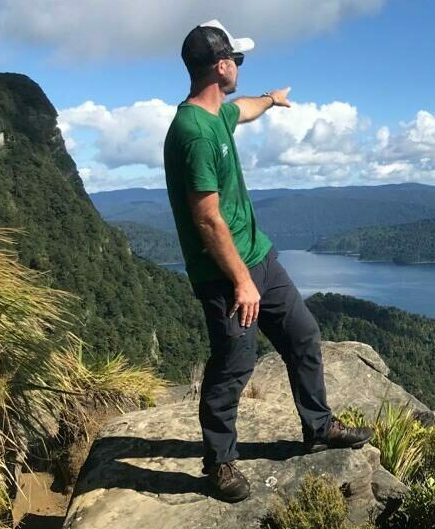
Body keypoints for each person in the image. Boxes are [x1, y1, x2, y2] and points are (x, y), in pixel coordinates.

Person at [163, 19, 373, 503]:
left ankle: (318, 427)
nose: (239, 66)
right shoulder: (193, 131)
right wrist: (241, 282)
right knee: (234, 364)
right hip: (226, 273)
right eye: (236, 60)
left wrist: (272, 100)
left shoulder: (215, 115)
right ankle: (219, 463)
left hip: (261, 257)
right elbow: (208, 219)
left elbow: (242, 110)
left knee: (302, 335)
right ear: (220, 66)